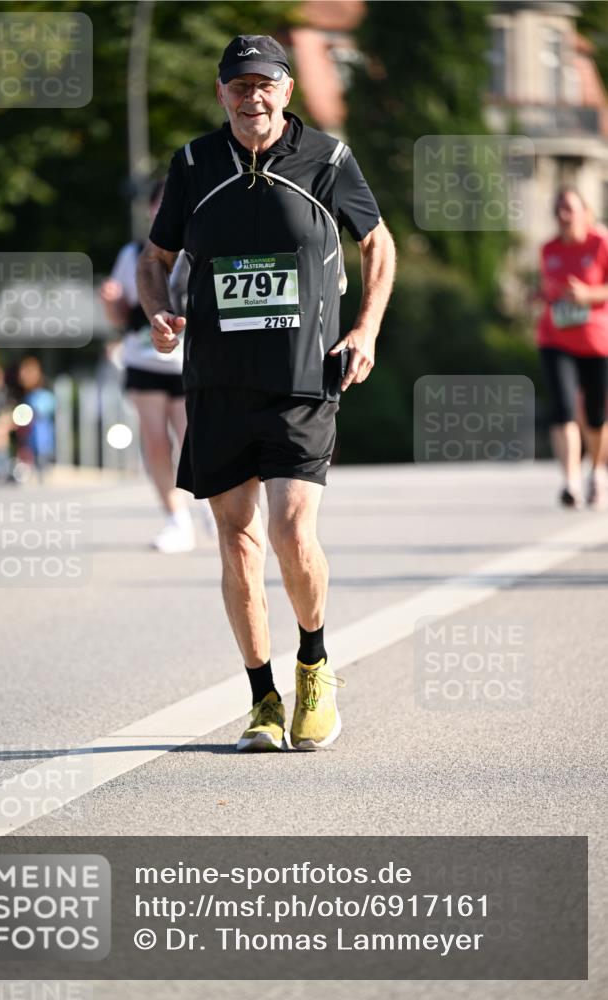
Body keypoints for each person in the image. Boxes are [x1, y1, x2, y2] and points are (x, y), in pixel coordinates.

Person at [137, 34, 395, 752]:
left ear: (286, 90)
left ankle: (313, 663)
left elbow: (378, 244)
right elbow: (156, 260)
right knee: (236, 540)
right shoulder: (193, 163)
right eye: (239, 85)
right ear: (221, 93)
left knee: (288, 528)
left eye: (265, 84)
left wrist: (366, 329)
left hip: (302, 378)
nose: (252, 97)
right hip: (217, 381)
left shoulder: (329, 160)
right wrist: (157, 312)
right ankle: (260, 698)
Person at [101, 180, 196, 553]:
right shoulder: (134, 254)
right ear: (149, 211)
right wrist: (110, 301)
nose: (162, 211)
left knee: (194, 442)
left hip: (190, 362)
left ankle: (205, 502)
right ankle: (176, 518)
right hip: (144, 358)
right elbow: (118, 314)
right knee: (156, 443)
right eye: (157, 205)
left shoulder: (198, 250)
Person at [538, 187, 608, 510]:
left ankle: (596, 469)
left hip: (596, 341)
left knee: (594, 416)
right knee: (564, 408)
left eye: (569, 208)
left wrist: (588, 295)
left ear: (585, 212)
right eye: (558, 209)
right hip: (556, 339)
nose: (563, 215)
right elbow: (548, 289)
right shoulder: (548, 249)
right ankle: (571, 482)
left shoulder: (600, 243)